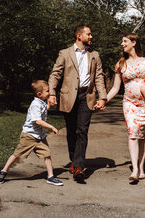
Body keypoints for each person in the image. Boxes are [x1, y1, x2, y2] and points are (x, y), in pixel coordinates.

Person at [48, 25, 107, 182]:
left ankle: (79, 166)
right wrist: (51, 93)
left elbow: (99, 77)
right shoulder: (65, 53)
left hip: (86, 96)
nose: (91, 36)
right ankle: (74, 161)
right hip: (68, 97)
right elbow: (55, 74)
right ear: (79, 36)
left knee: (83, 130)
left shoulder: (94, 55)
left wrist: (102, 98)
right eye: (89, 34)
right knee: (71, 131)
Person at [106, 34, 145, 181]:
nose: (122, 44)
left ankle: (141, 167)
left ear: (134, 43)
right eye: (122, 41)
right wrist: (104, 100)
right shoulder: (121, 64)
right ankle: (134, 170)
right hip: (129, 103)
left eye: (125, 41)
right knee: (133, 133)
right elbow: (115, 88)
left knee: (143, 136)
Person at [0, 80, 63, 186]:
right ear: (39, 94)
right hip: (29, 136)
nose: (49, 93)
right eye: (47, 91)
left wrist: (49, 105)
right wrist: (51, 127)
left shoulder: (41, 102)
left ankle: (50, 176)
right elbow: (38, 121)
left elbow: (43, 111)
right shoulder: (36, 104)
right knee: (17, 154)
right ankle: (3, 172)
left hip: (39, 136)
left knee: (47, 154)